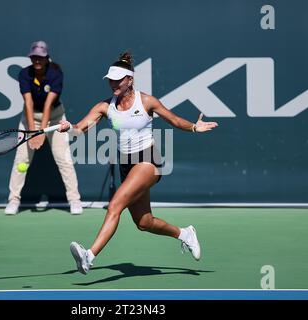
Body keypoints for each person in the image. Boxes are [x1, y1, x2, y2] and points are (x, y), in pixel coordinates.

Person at [58, 52, 218, 274]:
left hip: (148, 161)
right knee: (144, 222)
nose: (113, 83)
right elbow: (80, 128)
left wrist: (193, 126)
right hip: (126, 164)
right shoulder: (104, 107)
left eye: (118, 79)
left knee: (115, 205)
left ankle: (89, 256)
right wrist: (69, 127)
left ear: (130, 80)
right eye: (111, 80)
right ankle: (185, 234)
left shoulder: (146, 101)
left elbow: (173, 119)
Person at [5, 41, 83, 215]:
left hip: (55, 117)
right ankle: (13, 200)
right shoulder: (25, 74)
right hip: (29, 118)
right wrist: (33, 132)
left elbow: (48, 105)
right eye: (34, 57)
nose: (37, 61)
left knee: (64, 159)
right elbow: (28, 102)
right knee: (21, 160)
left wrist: (40, 132)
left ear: (46, 58)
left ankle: (75, 200)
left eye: (40, 58)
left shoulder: (55, 74)